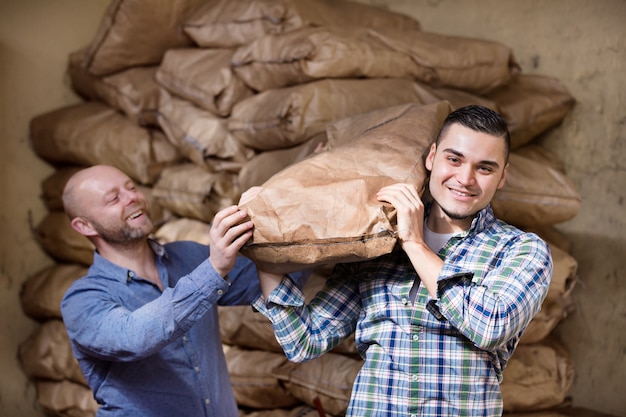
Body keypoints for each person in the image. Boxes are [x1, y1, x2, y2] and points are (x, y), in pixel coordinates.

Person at [252, 105, 553, 416]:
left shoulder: (521, 250)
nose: (465, 179)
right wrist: (260, 250)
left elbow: (489, 325)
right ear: (432, 157)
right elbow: (306, 340)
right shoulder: (377, 243)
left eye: (485, 168)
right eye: (454, 159)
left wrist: (414, 243)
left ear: (502, 177)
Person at [60, 164, 262, 416]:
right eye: (114, 198)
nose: (132, 197)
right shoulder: (81, 301)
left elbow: (266, 278)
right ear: (85, 226)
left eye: (131, 187)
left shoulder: (188, 257)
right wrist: (213, 270)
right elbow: (134, 337)